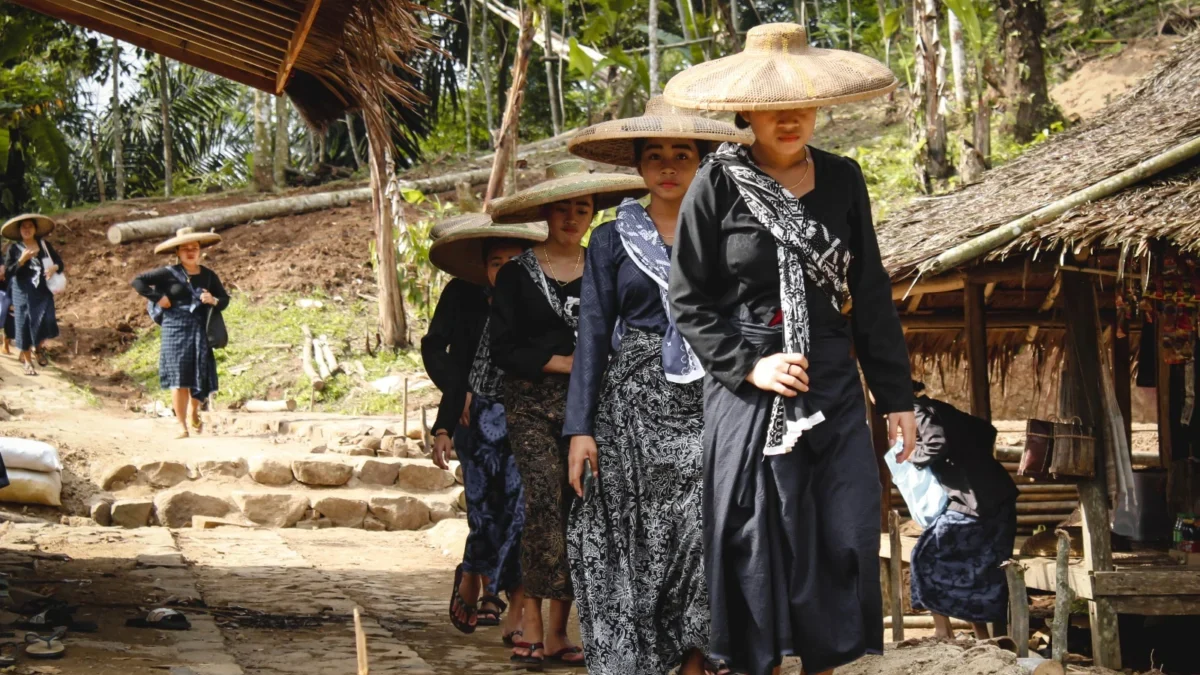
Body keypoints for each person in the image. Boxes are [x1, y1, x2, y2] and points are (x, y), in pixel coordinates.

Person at [664, 23, 917, 675]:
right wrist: (750, 364)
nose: (791, 119)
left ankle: (824, 664)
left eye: (803, 103)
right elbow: (688, 298)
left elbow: (871, 294)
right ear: (747, 110)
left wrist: (896, 399)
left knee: (842, 530)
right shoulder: (716, 184)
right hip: (750, 386)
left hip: (831, 377)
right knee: (758, 535)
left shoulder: (844, 181)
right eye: (776, 107)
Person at [562, 97, 753, 675]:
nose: (668, 166)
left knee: (704, 528)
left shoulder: (727, 227)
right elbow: (592, 336)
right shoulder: (611, 240)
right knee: (635, 541)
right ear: (640, 166)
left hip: (709, 399)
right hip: (630, 412)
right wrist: (580, 429)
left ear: (701, 160)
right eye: (655, 156)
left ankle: (696, 659)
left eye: (682, 154)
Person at [487, 159, 646, 670]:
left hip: (592, 407)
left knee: (582, 509)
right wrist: (569, 363)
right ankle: (530, 618)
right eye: (563, 208)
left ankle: (560, 630)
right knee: (544, 504)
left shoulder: (607, 264)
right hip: (532, 405)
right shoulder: (516, 274)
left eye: (583, 208)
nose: (573, 217)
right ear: (547, 213)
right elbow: (504, 348)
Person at [422, 213, 547, 642]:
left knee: (519, 510)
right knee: (484, 511)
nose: (505, 271)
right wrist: (453, 401)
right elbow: (437, 347)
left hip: (527, 415)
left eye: (515, 261)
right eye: (497, 262)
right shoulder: (461, 295)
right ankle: (475, 573)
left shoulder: (538, 297)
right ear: (482, 266)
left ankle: (499, 591)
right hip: (474, 419)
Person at [899, 382, 1019, 640]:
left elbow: (936, 443)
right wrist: (971, 457)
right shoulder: (940, 408)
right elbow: (987, 430)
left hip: (974, 502)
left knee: (924, 556)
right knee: (977, 567)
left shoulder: (916, 411)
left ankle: (943, 631)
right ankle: (981, 637)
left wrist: (909, 455)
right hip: (999, 496)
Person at [130, 227, 229, 439]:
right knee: (178, 379)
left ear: (200, 250)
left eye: (194, 248)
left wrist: (213, 300)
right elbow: (138, 281)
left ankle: (194, 412)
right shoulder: (167, 274)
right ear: (177, 252)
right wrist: (158, 297)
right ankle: (181, 426)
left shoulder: (209, 276)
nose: (190, 252)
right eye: (185, 248)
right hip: (174, 329)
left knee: (198, 376)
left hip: (200, 329)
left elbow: (225, 299)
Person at [2, 215, 63, 376]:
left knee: (47, 319)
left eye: (30, 226)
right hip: (22, 291)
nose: (27, 229)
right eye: (23, 227)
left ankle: (38, 347)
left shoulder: (44, 245)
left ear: (35, 229)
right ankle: (28, 362)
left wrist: (53, 268)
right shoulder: (14, 249)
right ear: (20, 231)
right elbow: (8, 273)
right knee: (24, 324)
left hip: (42, 290)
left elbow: (59, 262)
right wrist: (22, 260)